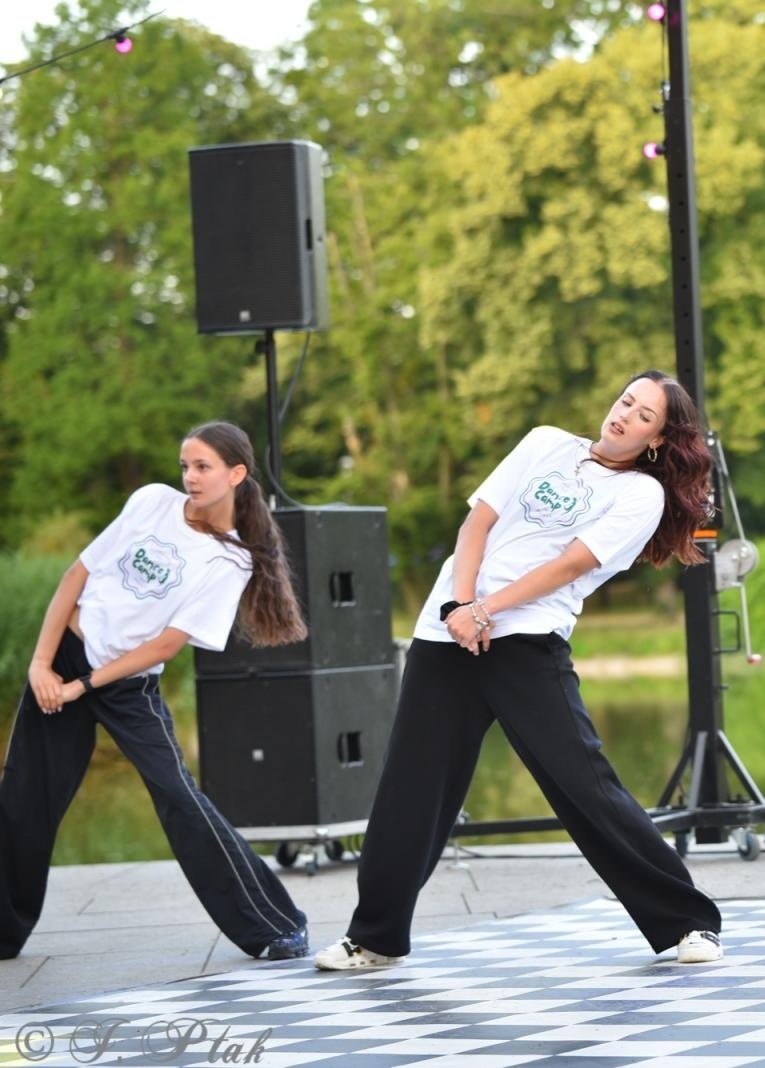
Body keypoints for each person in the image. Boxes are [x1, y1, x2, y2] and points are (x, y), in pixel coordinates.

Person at [314, 370, 724, 971]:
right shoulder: (544, 443)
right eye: (626, 401)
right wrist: (459, 607)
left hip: (526, 645)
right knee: (411, 788)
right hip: (446, 634)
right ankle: (373, 938)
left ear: (658, 440)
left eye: (643, 416)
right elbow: (477, 523)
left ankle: (690, 922)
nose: (624, 415)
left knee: (585, 786)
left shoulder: (641, 495)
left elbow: (569, 565)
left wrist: (487, 610)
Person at [0, 422, 310, 960]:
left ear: (236, 474)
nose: (190, 477)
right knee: (24, 797)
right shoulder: (150, 502)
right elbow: (76, 575)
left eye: (203, 467)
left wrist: (82, 687)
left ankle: (272, 923)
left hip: (126, 685)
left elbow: (167, 645)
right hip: (66, 658)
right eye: (185, 466)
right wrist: (41, 665)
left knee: (179, 798)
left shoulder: (230, 559)